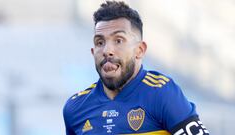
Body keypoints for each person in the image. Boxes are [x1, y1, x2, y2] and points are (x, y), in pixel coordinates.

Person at [63, 1, 209, 135]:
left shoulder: (162, 94)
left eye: (118, 40)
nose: (107, 50)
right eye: (100, 42)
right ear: (93, 52)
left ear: (139, 50)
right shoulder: (75, 108)